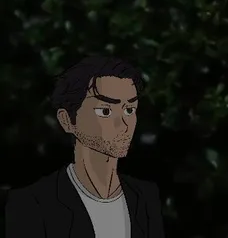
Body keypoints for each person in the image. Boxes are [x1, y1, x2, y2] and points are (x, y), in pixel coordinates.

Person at [5, 55, 165, 237]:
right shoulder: (32, 203)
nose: (123, 124)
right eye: (105, 111)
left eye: (129, 110)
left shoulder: (145, 197)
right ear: (67, 120)